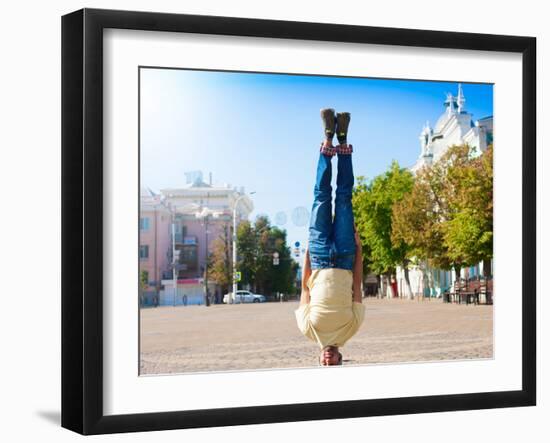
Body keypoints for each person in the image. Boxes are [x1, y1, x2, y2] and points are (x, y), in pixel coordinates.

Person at [295, 108, 365, 366]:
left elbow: (304, 287)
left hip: (320, 255)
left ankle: (327, 141)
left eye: (325, 364)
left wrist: (308, 254)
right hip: (346, 256)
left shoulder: (308, 330)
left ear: (320, 359)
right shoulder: (351, 329)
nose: (328, 360)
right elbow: (357, 286)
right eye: (333, 363)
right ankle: (343, 141)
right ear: (341, 359)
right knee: (344, 199)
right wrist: (359, 251)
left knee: (321, 197)